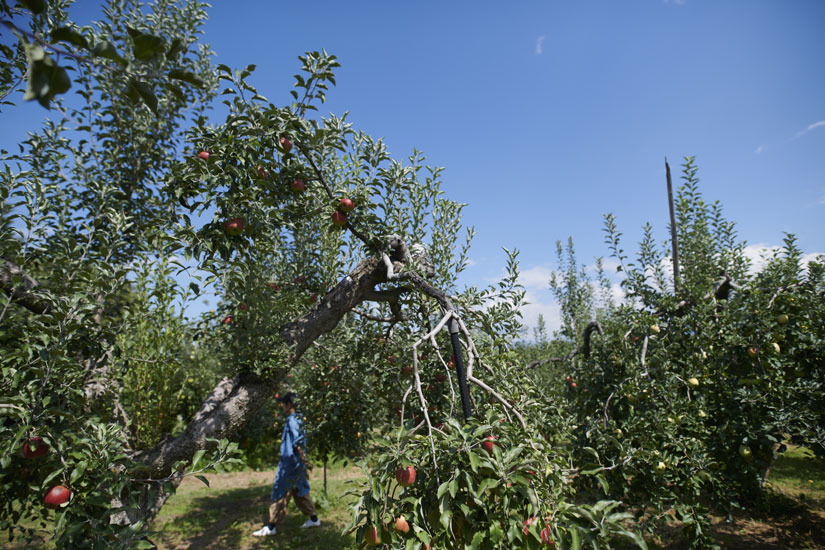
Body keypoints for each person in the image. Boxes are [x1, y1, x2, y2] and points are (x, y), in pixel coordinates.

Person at [252, 392, 320, 537]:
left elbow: (298, 442)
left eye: (284, 403)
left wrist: (304, 459)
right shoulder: (301, 418)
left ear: (289, 404)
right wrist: (304, 461)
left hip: (290, 464)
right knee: (300, 490)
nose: (282, 406)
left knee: (280, 491)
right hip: (297, 464)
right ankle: (314, 519)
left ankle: (271, 527)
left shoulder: (292, 420)